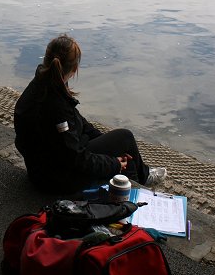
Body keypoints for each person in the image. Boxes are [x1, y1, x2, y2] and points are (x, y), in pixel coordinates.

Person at [14, 34, 167, 194]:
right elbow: (74, 158)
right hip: (54, 178)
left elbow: (79, 122)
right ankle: (138, 189)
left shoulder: (43, 84)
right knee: (125, 137)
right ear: (74, 70)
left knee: (120, 145)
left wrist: (110, 148)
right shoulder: (56, 104)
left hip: (42, 166)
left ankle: (140, 179)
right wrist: (113, 163)